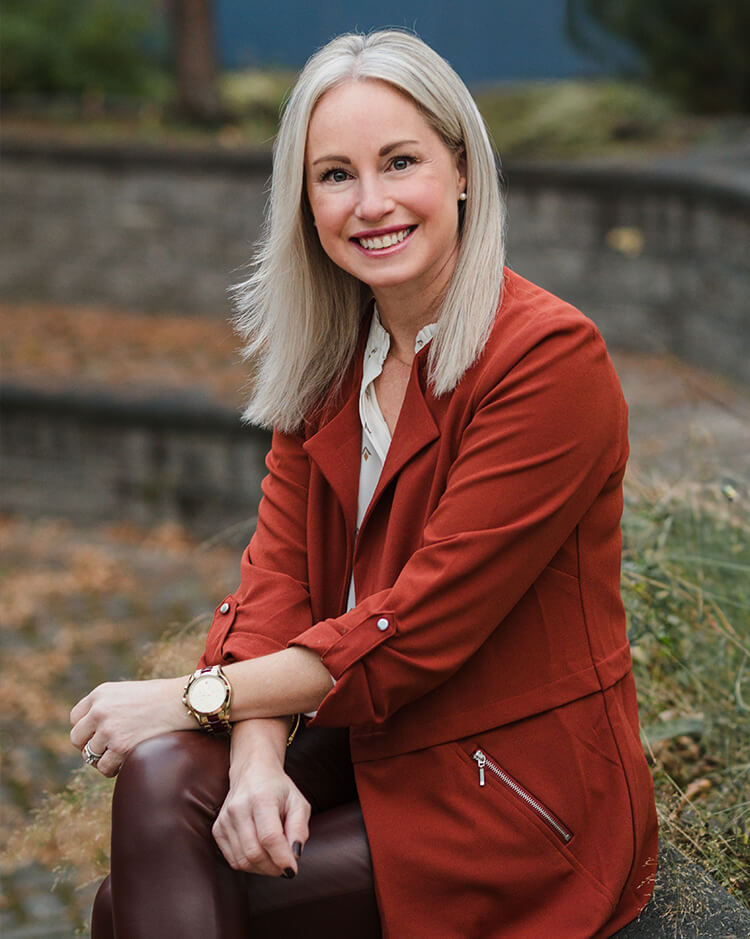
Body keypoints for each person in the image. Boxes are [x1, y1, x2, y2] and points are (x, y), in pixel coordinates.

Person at [71, 29, 658, 938]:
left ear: (462, 170)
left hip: (509, 789)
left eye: (400, 162)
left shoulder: (547, 359)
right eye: (335, 174)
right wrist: (258, 757)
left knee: (126, 909)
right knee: (159, 784)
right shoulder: (334, 360)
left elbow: (415, 631)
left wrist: (196, 697)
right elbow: (278, 581)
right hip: (368, 740)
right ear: (304, 203)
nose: (371, 202)